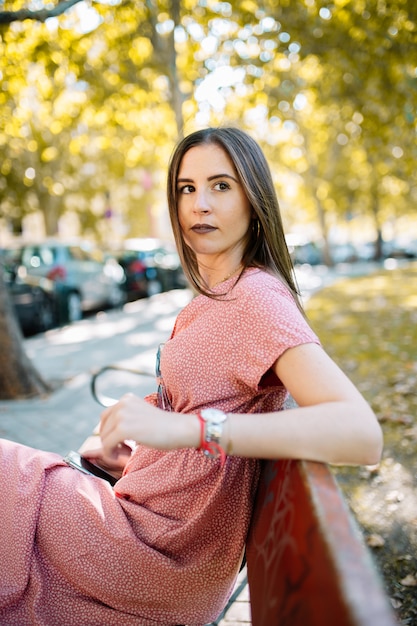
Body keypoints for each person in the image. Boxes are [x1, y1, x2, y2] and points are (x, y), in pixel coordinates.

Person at [0, 127, 383, 625]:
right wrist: (137, 445)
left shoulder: (257, 300)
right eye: (187, 188)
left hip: (154, 553)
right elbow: (198, 396)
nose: (200, 204)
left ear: (254, 199)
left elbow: (362, 434)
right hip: (145, 527)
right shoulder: (217, 295)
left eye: (221, 186)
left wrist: (194, 430)